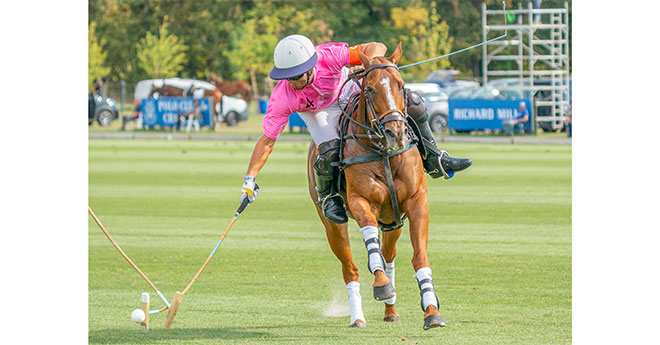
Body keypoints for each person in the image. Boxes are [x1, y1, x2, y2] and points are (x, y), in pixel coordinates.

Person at [239, 34, 472, 224]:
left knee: (414, 104)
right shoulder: (283, 96)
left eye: (296, 76)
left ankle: (434, 157)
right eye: (286, 76)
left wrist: (371, 64)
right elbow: (268, 140)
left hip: (347, 88)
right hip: (317, 112)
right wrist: (250, 178)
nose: (291, 82)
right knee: (329, 150)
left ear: (311, 66)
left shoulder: (328, 56)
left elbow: (376, 45)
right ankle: (329, 196)